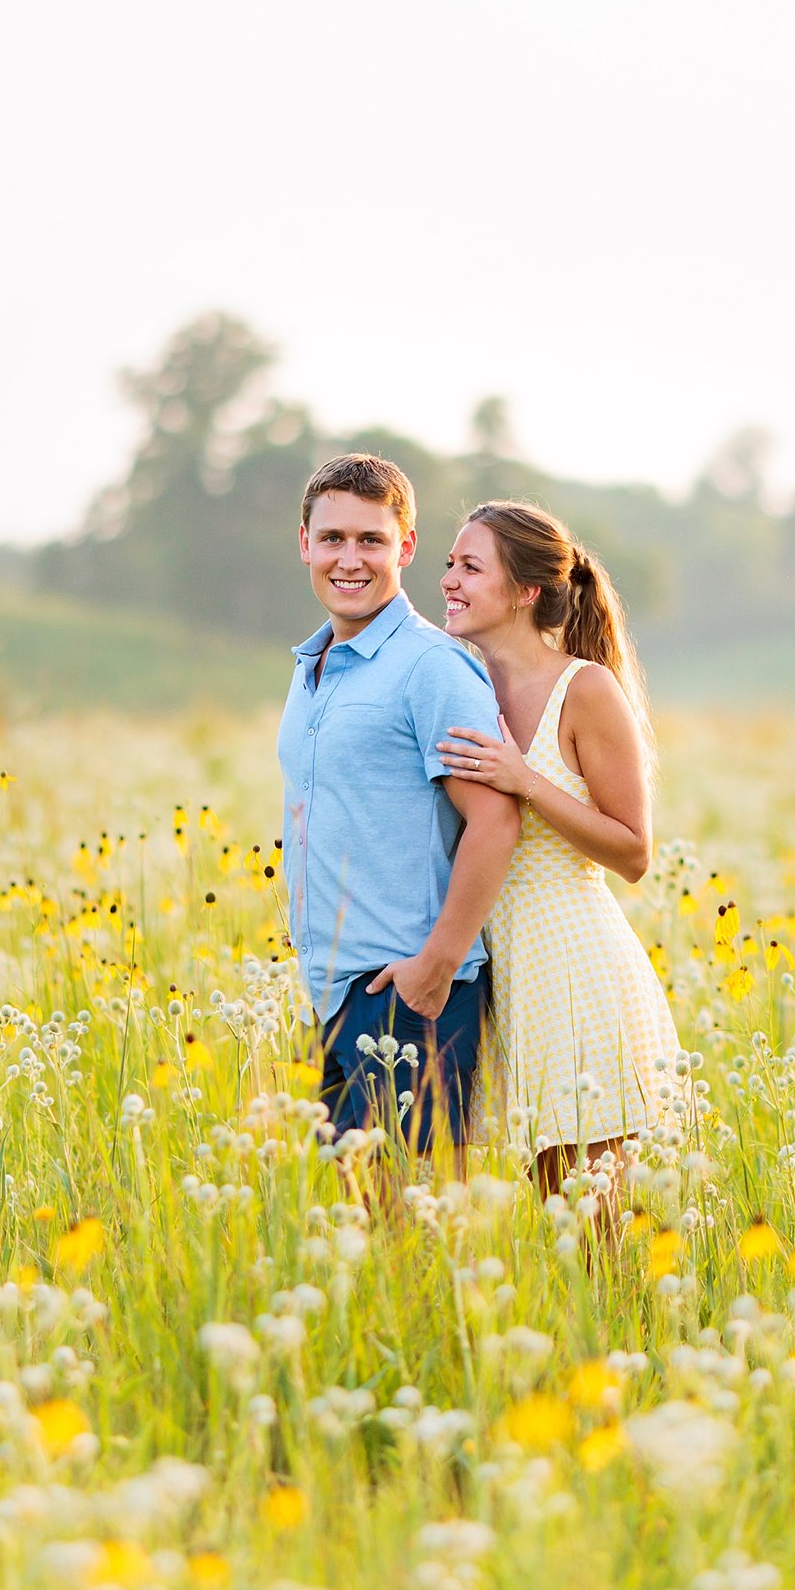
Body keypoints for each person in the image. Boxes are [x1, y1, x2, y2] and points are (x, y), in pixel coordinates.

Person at [432, 500, 684, 1202]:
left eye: (470, 566)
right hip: (498, 976)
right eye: (449, 563)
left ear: (526, 591)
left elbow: (633, 851)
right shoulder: (461, 684)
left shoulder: (586, 688)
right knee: (552, 1219)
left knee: (596, 1228)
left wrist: (525, 780)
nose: (449, 579)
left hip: (574, 966)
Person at [278, 454, 520, 1182]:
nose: (349, 559)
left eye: (371, 540)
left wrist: (436, 965)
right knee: (367, 1225)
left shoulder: (431, 667)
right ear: (305, 543)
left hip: (409, 991)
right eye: (333, 539)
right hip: (335, 987)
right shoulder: (314, 664)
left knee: (418, 1228)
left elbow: (495, 821)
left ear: (406, 547)